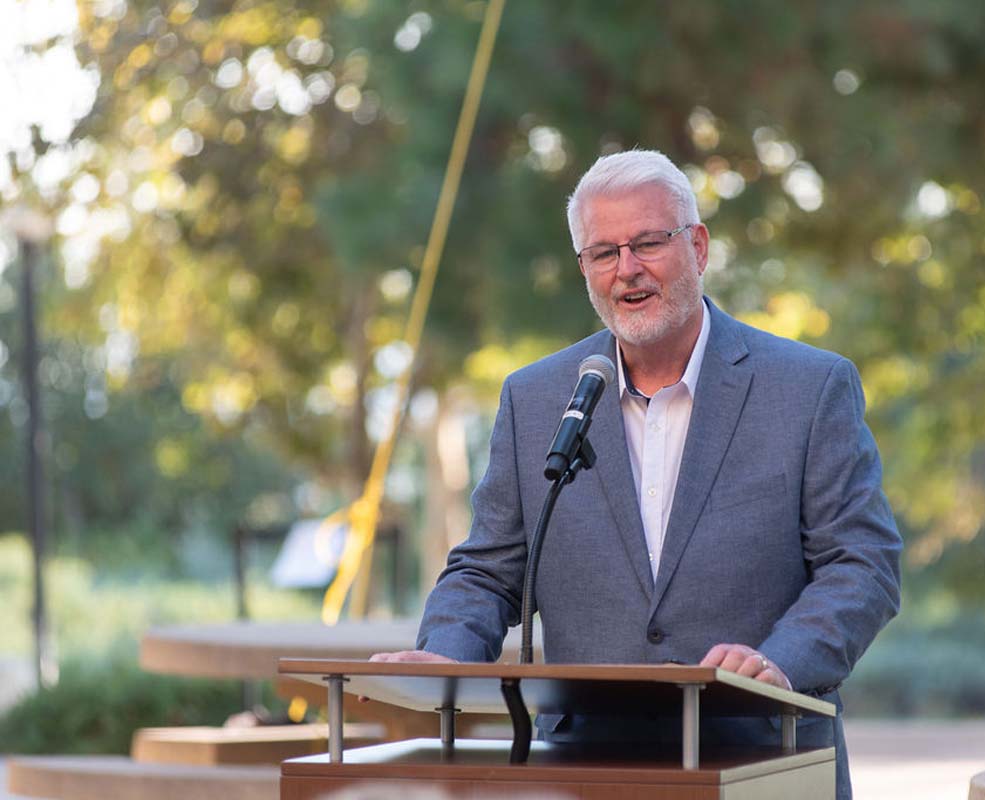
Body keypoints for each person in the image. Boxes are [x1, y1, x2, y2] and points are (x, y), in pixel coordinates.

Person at [372, 149, 902, 799]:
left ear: (699, 248)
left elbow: (863, 563)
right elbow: (488, 571)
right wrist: (446, 657)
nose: (627, 270)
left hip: (765, 761)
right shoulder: (536, 400)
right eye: (603, 252)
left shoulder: (808, 388)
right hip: (585, 771)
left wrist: (779, 662)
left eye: (648, 243)